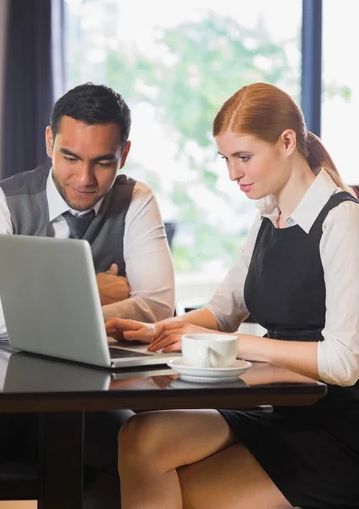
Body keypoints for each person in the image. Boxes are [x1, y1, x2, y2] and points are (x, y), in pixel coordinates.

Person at [106, 82, 359, 509]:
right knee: (140, 436)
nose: (233, 174)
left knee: (181, 493)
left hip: (339, 432)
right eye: (226, 159)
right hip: (284, 413)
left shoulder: (341, 219)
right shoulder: (268, 216)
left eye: (243, 157)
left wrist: (238, 344)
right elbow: (224, 310)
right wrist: (157, 329)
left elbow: (344, 362)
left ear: (286, 142)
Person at [0, 82, 175, 508]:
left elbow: (156, 305)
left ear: (124, 155)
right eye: (70, 157)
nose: (84, 178)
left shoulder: (136, 201)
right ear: (48, 141)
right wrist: (93, 290)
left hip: (92, 396)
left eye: (102, 162)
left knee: (129, 461)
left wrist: (32, 304)